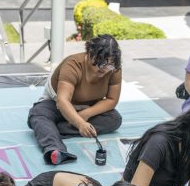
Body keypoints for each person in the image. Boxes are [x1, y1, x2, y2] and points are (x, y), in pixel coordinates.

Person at [27, 34, 123, 165]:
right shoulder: (72, 64)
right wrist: (80, 124)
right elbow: (62, 101)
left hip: (89, 107)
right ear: (89, 53)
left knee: (114, 119)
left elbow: (112, 99)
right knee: (38, 114)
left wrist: (86, 114)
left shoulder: (114, 69)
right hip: (56, 105)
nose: (105, 68)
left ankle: (51, 129)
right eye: (101, 63)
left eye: (109, 65)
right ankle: (55, 149)